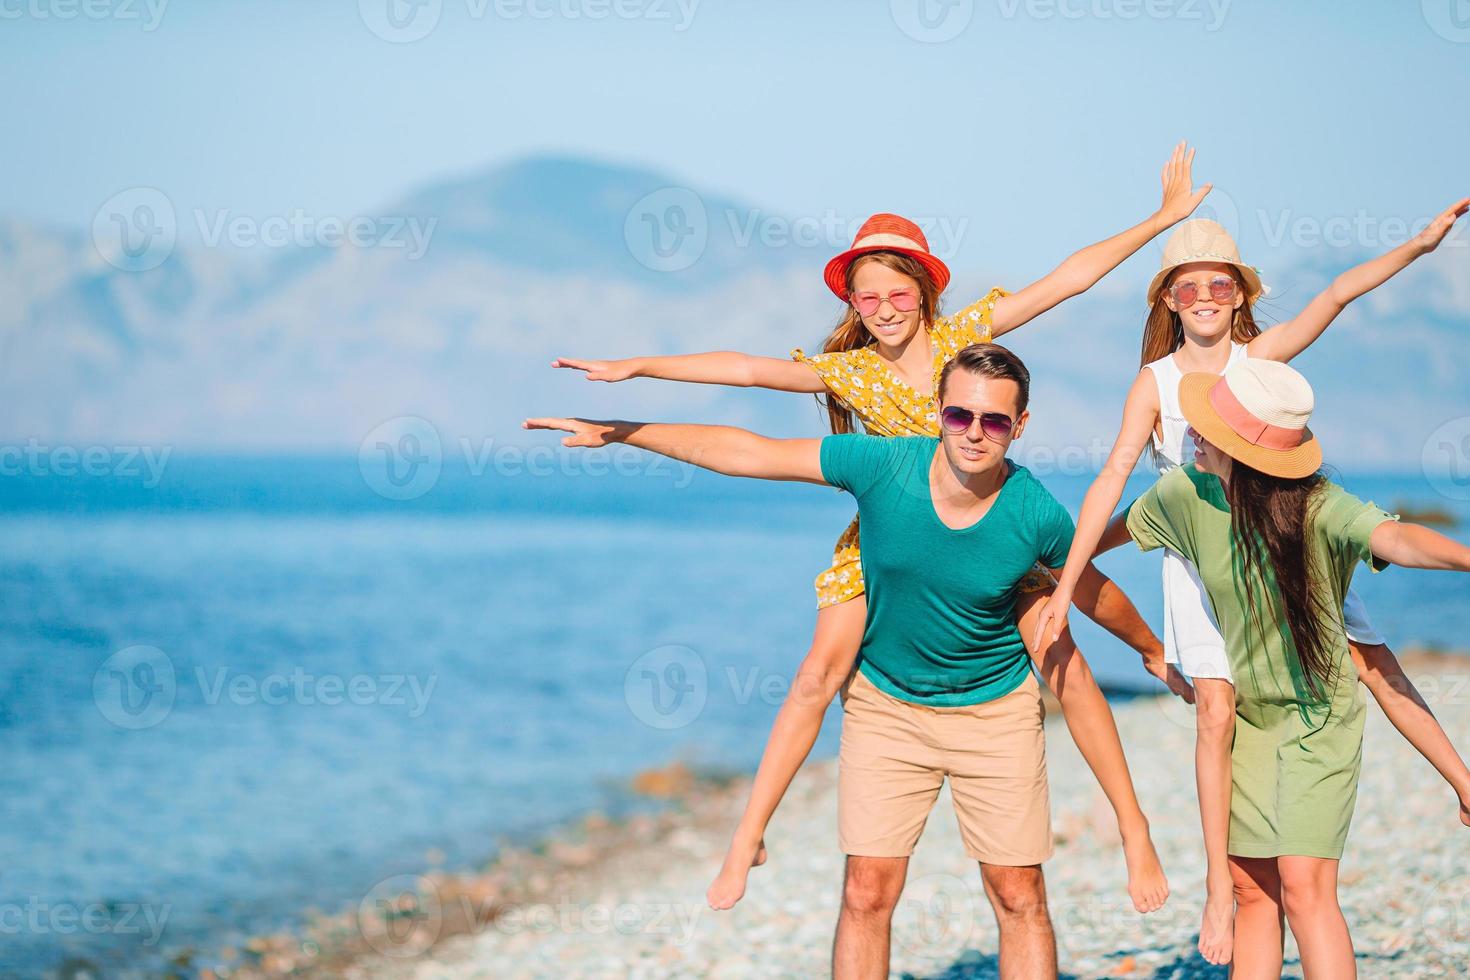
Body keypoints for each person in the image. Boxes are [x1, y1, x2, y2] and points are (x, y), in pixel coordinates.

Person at [553, 144, 1209, 912]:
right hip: (890, 544)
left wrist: (1162, 220)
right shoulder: (852, 371)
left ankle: (1133, 821)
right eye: (868, 300)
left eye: (898, 292)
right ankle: (748, 834)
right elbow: (748, 373)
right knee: (815, 676)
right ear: (854, 306)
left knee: (1060, 651)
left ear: (924, 291)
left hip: (982, 525)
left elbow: (1068, 278)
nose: (886, 309)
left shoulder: (967, 336)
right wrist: (636, 371)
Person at [527, 343, 1167, 978]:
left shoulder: (1034, 514)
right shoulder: (886, 465)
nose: (974, 434)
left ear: (1019, 426)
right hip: (886, 707)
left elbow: (1093, 594)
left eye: (994, 421)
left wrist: (1152, 651)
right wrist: (623, 433)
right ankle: (751, 837)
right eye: (959, 416)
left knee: (1018, 894)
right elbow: (750, 452)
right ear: (938, 411)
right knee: (866, 892)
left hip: (993, 713)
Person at [1030, 200, 1470, 963]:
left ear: (1240, 292)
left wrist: (1419, 245)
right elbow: (1115, 483)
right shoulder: (1156, 382)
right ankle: (1218, 888)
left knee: (1369, 659)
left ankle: (1460, 779)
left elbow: (1335, 295)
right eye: (1187, 286)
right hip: (1195, 546)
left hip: (1282, 535)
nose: (1204, 298)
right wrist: (1063, 584)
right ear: (1166, 298)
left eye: (1219, 285)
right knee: (1217, 709)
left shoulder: (1258, 362)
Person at [1113, 357, 1470, 978]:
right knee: (1253, 891)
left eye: (1209, 429)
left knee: (1304, 887)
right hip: (1248, 720)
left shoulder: (1320, 508)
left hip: (1318, 721)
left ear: (1245, 453)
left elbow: (1402, 541)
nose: (1190, 433)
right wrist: (1030, 571)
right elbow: (1089, 540)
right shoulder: (1180, 495)